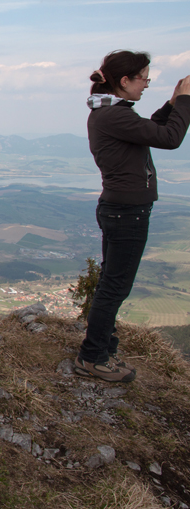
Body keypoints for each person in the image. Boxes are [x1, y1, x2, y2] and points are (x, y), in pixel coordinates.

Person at [76, 51, 190, 383]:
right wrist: (185, 103)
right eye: (143, 78)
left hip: (119, 209)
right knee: (115, 287)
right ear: (124, 81)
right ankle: (93, 357)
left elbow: (150, 128)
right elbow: (170, 138)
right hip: (128, 212)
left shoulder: (110, 113)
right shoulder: (114, 116)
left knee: (111, 283)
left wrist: (172, 103)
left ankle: (102, 349)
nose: (146, 85)